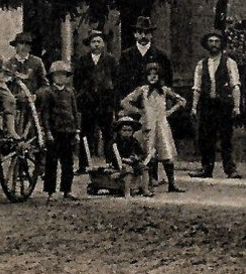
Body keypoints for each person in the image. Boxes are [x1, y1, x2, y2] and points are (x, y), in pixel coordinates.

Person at [122, 60, 187, 193]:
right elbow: (125, 102)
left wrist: (170, 111)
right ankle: (149, 183)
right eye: (149, 74)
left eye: (155, 74)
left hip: (162, 125)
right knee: (148, 154)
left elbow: (182, 101)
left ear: (160, 76)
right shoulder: (142, 90)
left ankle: (172, 183)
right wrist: (139, 112)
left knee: (167, 155)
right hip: (148, 125)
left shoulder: (164, 90)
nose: (152, 77)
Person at [190, 31, 242, 178]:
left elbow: (235, 85)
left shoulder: (229, 62)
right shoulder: (201, 64)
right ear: (207, 44)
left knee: (226, 137)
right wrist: (194, 107)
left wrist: (236, 106)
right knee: (206, 137)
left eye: (216, 41)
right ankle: (206, 168)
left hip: (224, 105)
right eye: (211, 41)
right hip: (207, 105)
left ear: (221, 44)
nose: (213, 44)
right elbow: (197, 87)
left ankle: (230, 169)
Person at [74, 30, 119, 171]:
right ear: (89, 44)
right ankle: (83, 164)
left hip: (105, 102)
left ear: (104, 43)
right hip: (88, 103)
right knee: (86, 134)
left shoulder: (110, 60)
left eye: (99, 41)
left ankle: (112, 162)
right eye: (93, 42)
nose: (96, 44)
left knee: (108, 133)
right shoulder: (83, 60)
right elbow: (77, 81)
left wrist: (113, 101)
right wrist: (83, 95)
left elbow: (117, 81)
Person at [35, 60, 80, 200]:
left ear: (67, 78)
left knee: (68, 163)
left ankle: (67, 190)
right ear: (52, 77)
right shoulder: (48, 93)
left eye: (63, 76)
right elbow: (45, 114)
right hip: (54, 132)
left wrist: (77, 130)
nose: (61, 78)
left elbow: (74, 111)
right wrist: (47, 132)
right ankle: (51, 191)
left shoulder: (70, 92)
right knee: (51, 162)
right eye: (57, 75)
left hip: (68, 131)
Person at [118, 15, 173, 92]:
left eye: (146, 32)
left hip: (153, 100)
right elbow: (121, 82)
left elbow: (168, 82)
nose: (143, 36)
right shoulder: (126, 56)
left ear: (151, 35)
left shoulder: (161, 56)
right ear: (135, 34)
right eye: (140, 32)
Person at [111, 113, 151, 197]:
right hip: (120, 164)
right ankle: (127, 192)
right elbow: (112, 156)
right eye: (124, 130)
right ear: (119, 131)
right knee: (128, 171)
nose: (127, 133)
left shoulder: (134, 141)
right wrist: (123, 160)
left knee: (144, 169)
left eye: (129, 130)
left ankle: (145, 189)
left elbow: (141, 153)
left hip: (133, 162)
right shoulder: (115, 143)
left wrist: (137, 157)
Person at [5, 30, 48, 96]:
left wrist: (36, 95)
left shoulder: (37, 62)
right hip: (15, 101)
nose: (24, 47)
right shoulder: (8, 64)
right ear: (15, 46)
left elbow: (45, 84)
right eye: (21, 43)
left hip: (32, 100)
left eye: (27, 44)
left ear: (30, 48)